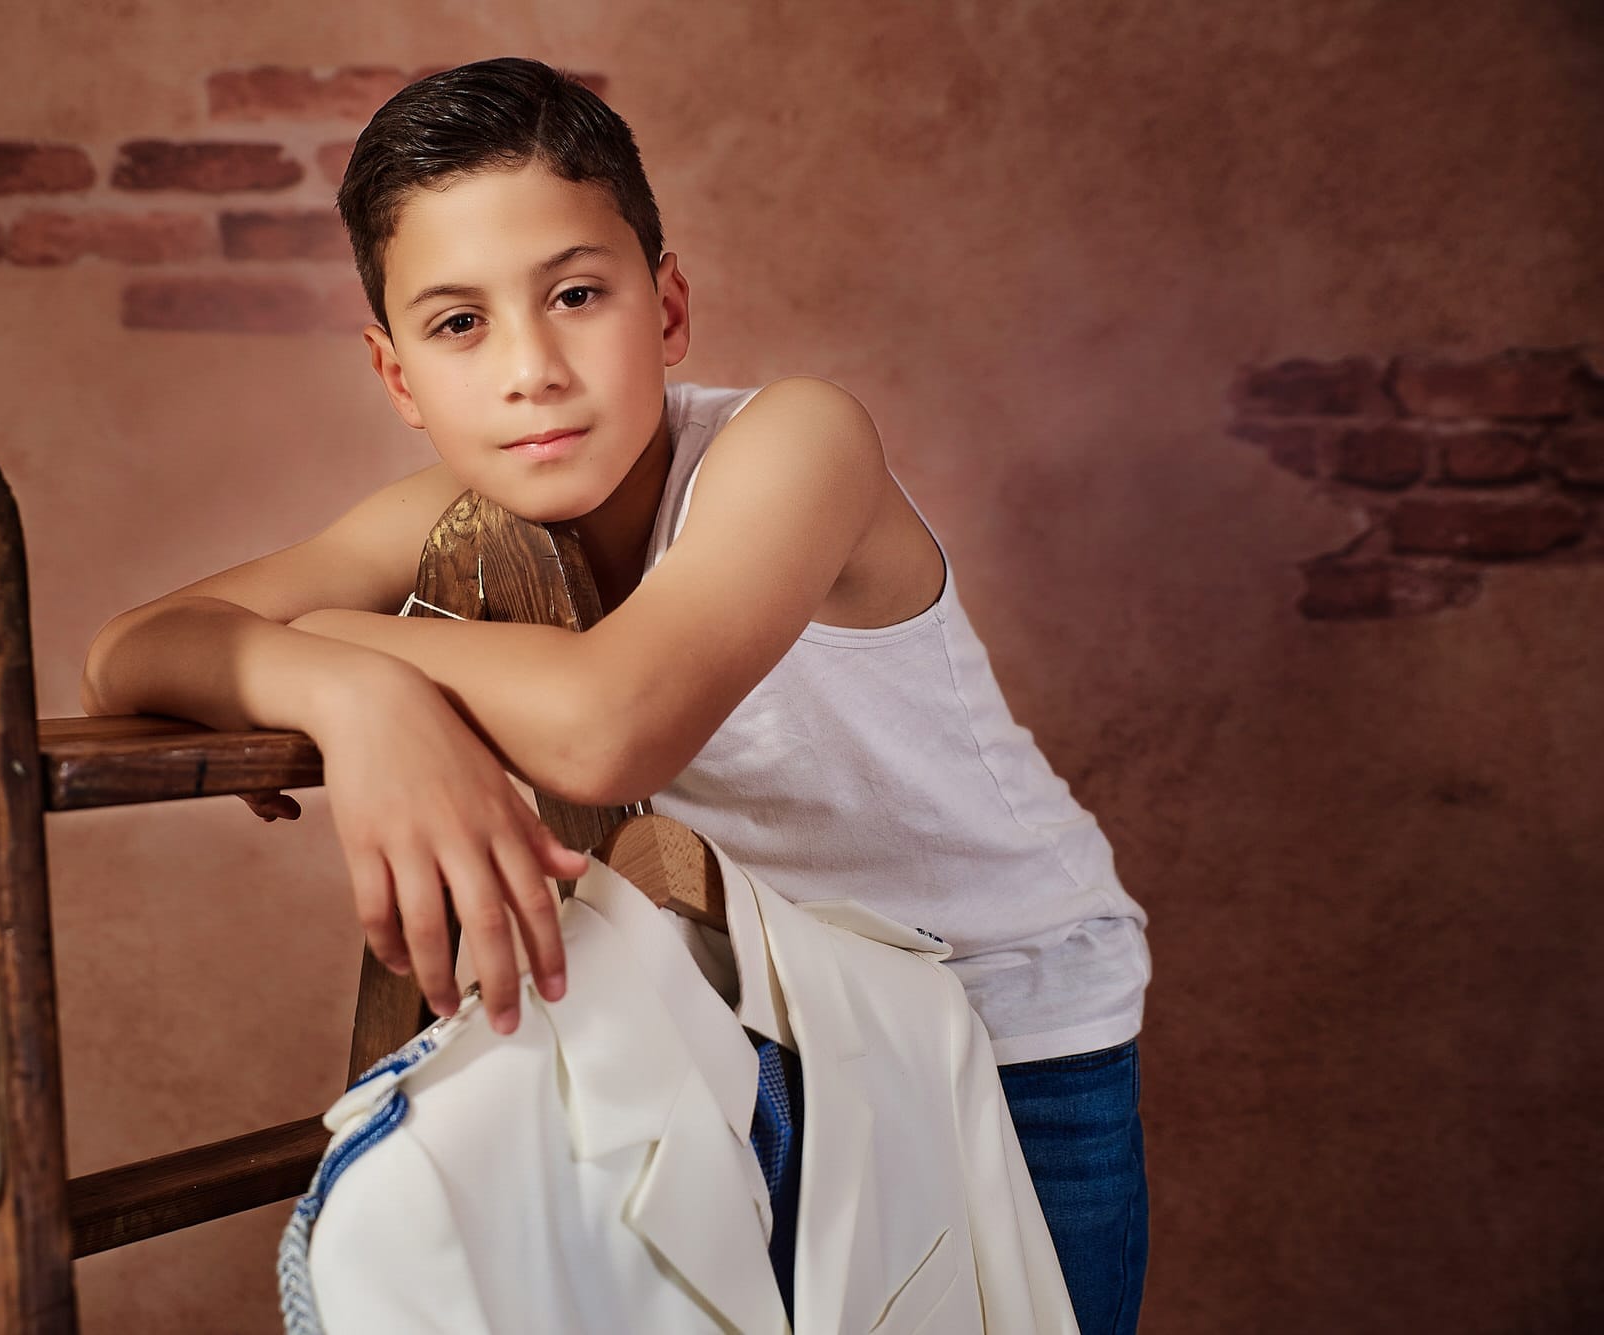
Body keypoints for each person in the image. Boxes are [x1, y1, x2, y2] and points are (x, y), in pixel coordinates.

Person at [80, 56, 1149, 1335]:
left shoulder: (798, 442)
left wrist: (342, 641)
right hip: (746, 1025)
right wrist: (350, 695)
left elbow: (609, 722)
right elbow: (133, 647)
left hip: (1003, 1040)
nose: (530, 368)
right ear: (396, 378)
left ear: (667, 307)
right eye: (458, 323)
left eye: (576, 294)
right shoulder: (443, 516)